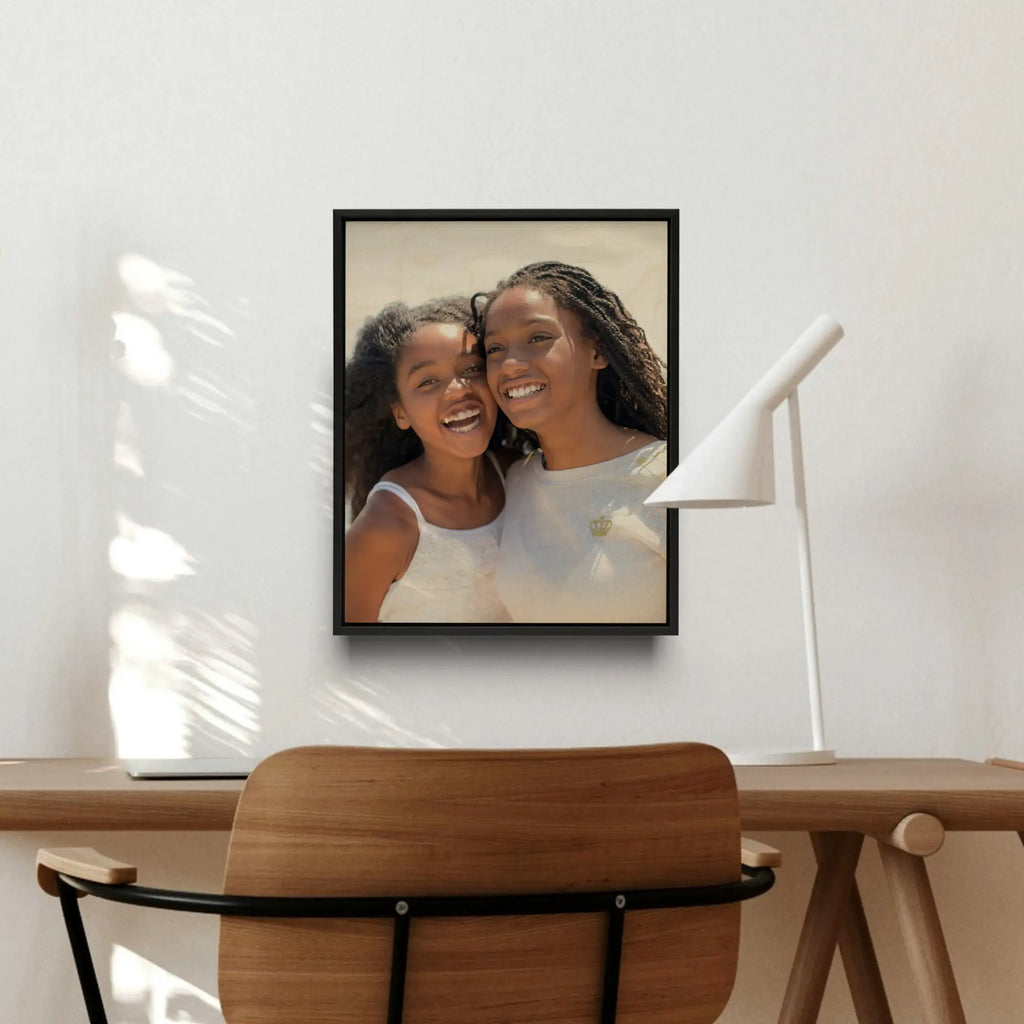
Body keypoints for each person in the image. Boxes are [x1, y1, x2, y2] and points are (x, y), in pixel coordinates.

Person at [475, 261, 669, 624]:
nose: (510, 364)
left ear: (598, 352)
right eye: (495, 348)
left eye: (538, 338)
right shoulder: (516, 480)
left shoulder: (667, 478)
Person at [343, 297, 511, 623]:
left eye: (472, 369)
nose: (458, 390)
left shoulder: (519, 475)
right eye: (427, 382)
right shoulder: (386, 527)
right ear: (400, 413)